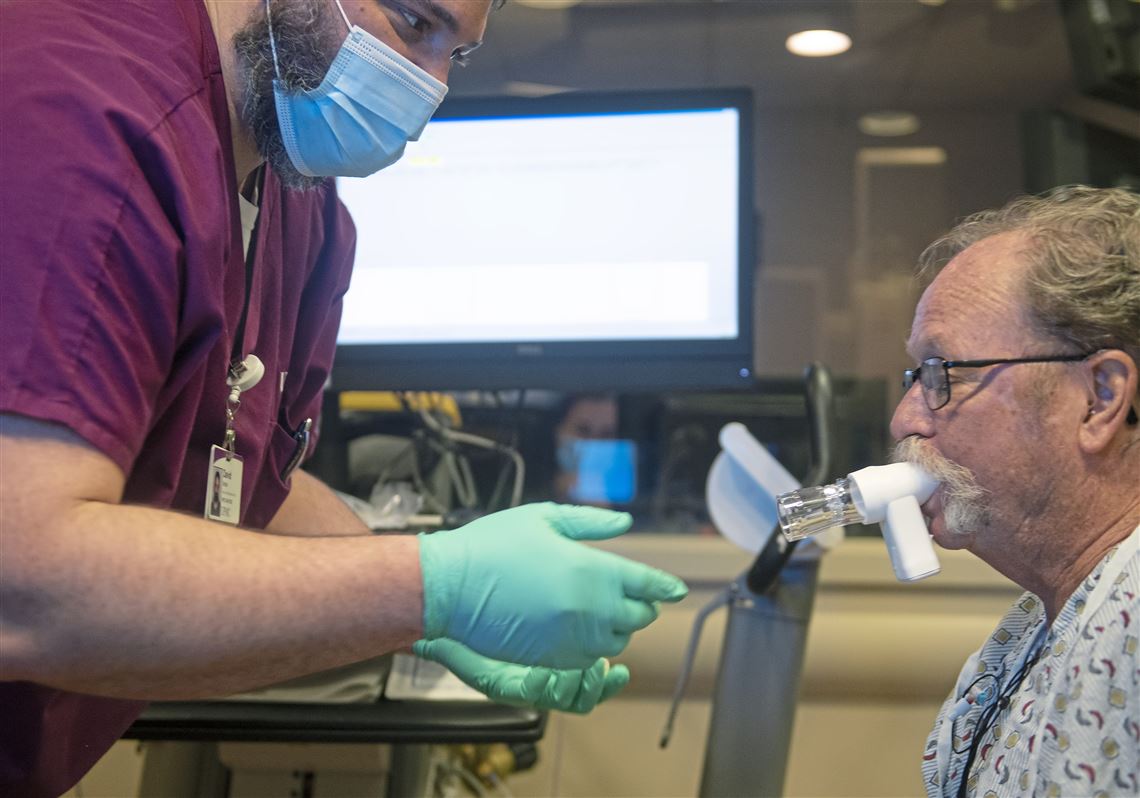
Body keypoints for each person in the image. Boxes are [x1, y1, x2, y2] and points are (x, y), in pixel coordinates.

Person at [0, 2, 688, 795]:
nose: (427, 98)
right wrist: (431, 588)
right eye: (412, 21)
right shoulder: (87, 123)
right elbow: (26, 575)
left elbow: (242, 482)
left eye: (456, 56)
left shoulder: (295, 186)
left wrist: (421, 624)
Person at [889, 185, 1139, 797]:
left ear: (1100, 398)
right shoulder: (1041, 621)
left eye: (942, 373)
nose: (904, 420)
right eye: (914, 376)